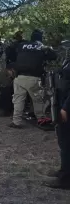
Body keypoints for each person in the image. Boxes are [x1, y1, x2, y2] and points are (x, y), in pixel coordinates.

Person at [8, 29, 58, 128]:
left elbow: (11, 52)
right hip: (34, 78)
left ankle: (16, 121)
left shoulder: (22, 45)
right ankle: (41, 119)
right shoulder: (41, 47)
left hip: (19, 77)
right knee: (38, 100)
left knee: (18, 99)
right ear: (40, 38)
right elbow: (54, 57)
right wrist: (49, 49)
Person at [45, 59, 70, 189]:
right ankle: (64, 171)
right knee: (63, 141)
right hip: (61, 102)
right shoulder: (67, 60)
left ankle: (66, 179)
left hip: (66, 106)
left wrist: (66, 107)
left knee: (67, 143)